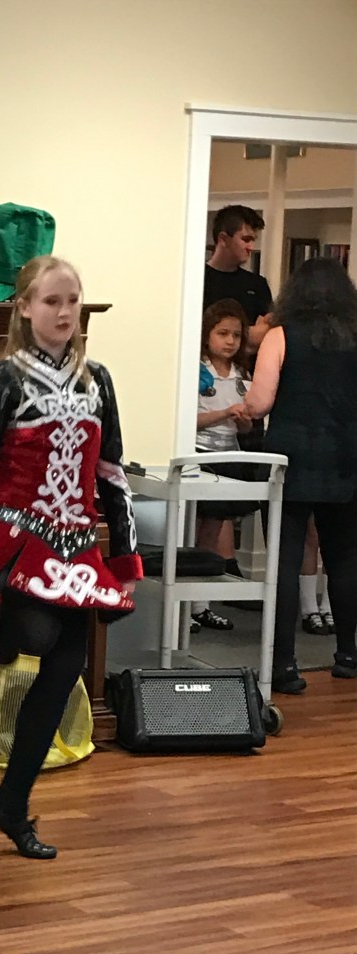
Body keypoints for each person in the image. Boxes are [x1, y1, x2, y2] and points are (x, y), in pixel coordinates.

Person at [0, 255, 142, 860]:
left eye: (72, 300)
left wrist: (125, 555)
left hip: (76, 541)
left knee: (65, 666)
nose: (65, 312)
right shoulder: (7, 376)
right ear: (24, 307)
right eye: (51, 301)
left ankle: (12, 801)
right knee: (36, 633)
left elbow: (111, 472)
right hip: (18, 534)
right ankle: (3, 630)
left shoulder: (98, 380)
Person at [244, 256, 357, 694]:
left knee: (285, 561)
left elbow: (259, 403)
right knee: (344, 559)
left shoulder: (280, 335)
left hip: (289, 459)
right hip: (346, 457)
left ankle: (285, 666)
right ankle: (347, 655)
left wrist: (243, 411)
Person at [191, 300, 254, 632]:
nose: (230, 341)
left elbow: (247, 428)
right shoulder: (198, 370)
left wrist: (243, 421)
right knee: (191, 530)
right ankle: (183, 609)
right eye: (222, 333)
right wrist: (225, 413)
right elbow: (190, 420)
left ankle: (201, 605)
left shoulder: (243, 376)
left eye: (236, 335)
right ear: (207, 334)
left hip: (230, 456)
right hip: (200, 454)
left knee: (213, 533)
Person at [204, 205, 274, 351]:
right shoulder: (196, 280)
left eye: (253, 240)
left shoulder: (257, 284)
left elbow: (267, 333)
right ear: (223, 239)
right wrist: (247, 335)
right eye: (246, 239)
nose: (251, 247)